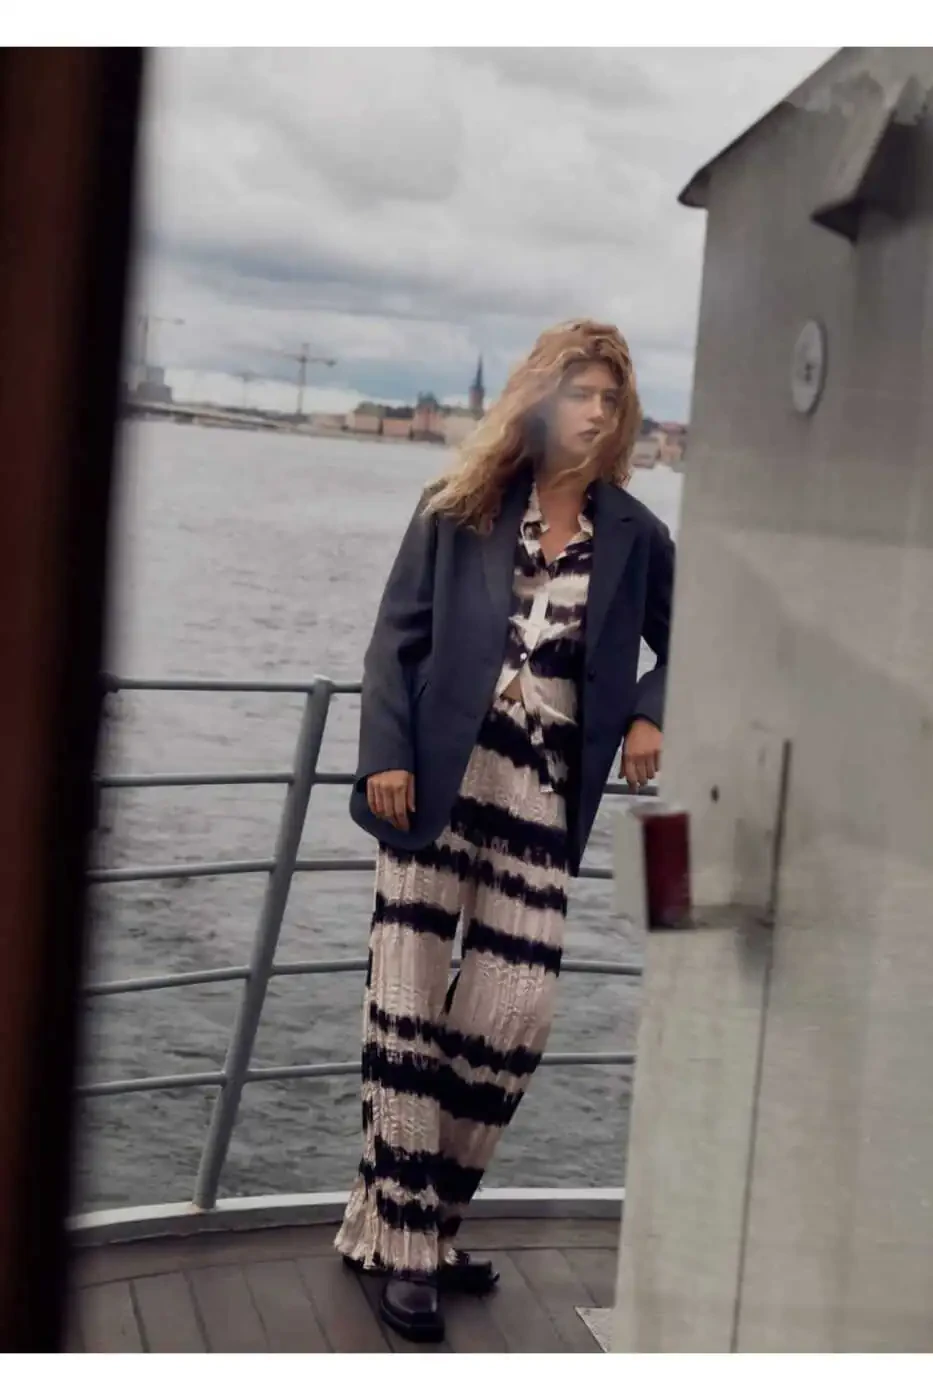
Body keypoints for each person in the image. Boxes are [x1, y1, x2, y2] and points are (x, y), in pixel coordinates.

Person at [334, 319, 675, 1343]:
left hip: (541, 788)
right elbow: (393, 643)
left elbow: (693, 636)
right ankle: (412, 1252)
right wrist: (385, 753)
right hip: (430, 777)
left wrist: (652, 711)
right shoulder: (459, 504)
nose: (598, 413)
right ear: (540, 398)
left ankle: (406, 1220)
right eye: (582, 393)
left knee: (514, 1013)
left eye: (612, 399)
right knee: (405, 1010)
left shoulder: (637, 535)